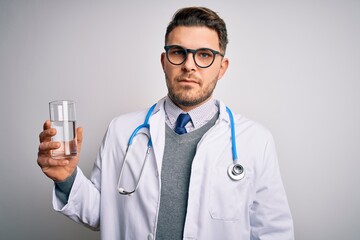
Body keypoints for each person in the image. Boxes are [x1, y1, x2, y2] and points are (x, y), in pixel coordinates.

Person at [37, 6, 294, 240]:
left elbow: (273, 233)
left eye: (204, 55)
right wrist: (67, 178)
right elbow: (102, 214)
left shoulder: (256, 141)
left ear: (222, 67)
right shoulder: (122, 131)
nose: (189, 65)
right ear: (164, 62)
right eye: (178, 53)